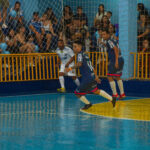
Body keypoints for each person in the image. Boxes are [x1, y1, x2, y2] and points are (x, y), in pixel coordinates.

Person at [65, 40, 116, 110]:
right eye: (73, 47)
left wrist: (70, 68)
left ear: (80, 47)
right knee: (95, 91)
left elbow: (79, 64)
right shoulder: (85, 54)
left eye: (75, 46)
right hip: (91, 76)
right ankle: (112, 99)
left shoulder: (79, 54)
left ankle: (88, 104)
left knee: (77, 93)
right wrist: (96, 76)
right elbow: (91, 66)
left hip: (87, 78)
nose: (74, 48)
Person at [102, 29, 125, 99]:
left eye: (104, 34)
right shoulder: (113, 40)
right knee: (118, 76)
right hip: (121, 59)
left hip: (115, 60)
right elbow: (117, 49)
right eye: (102, 34)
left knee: (109, 76)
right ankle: (122, 94)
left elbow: (115, 49)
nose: (103, 36)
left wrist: (116, 61)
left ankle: (115, 94)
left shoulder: (109, 41)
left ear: (108, 34)